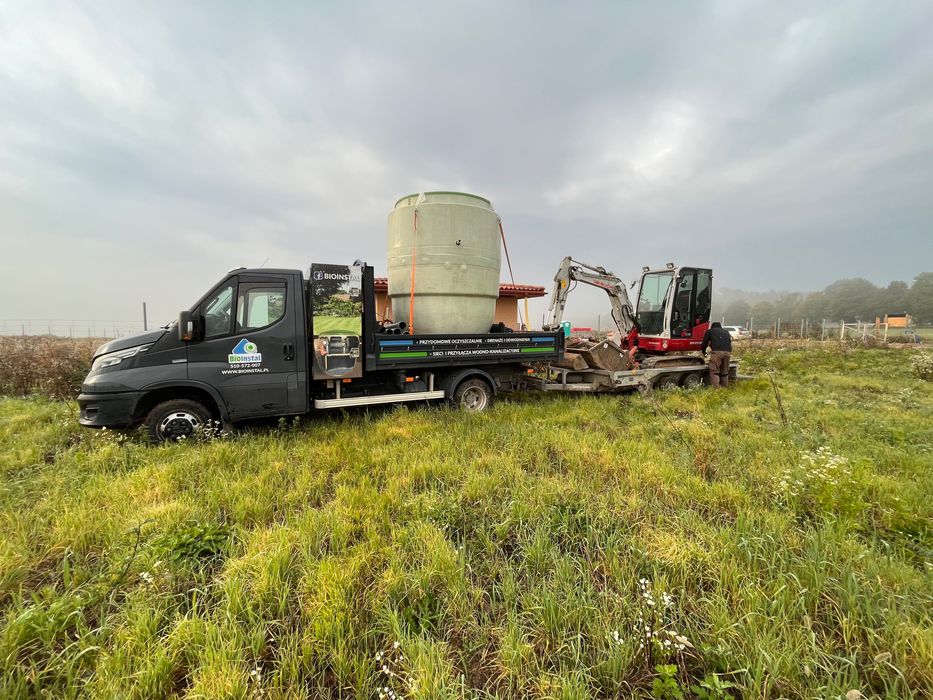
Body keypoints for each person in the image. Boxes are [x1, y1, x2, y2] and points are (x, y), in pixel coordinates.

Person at [701, 322, 732, 388]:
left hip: (717, 353)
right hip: (728, 352)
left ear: (712, 327)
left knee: (714, 372)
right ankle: (725, 389)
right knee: (724, 372)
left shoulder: (710, 331)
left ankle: (716, 390)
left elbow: (704, 343)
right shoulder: (726, 332)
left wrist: (703, 352)